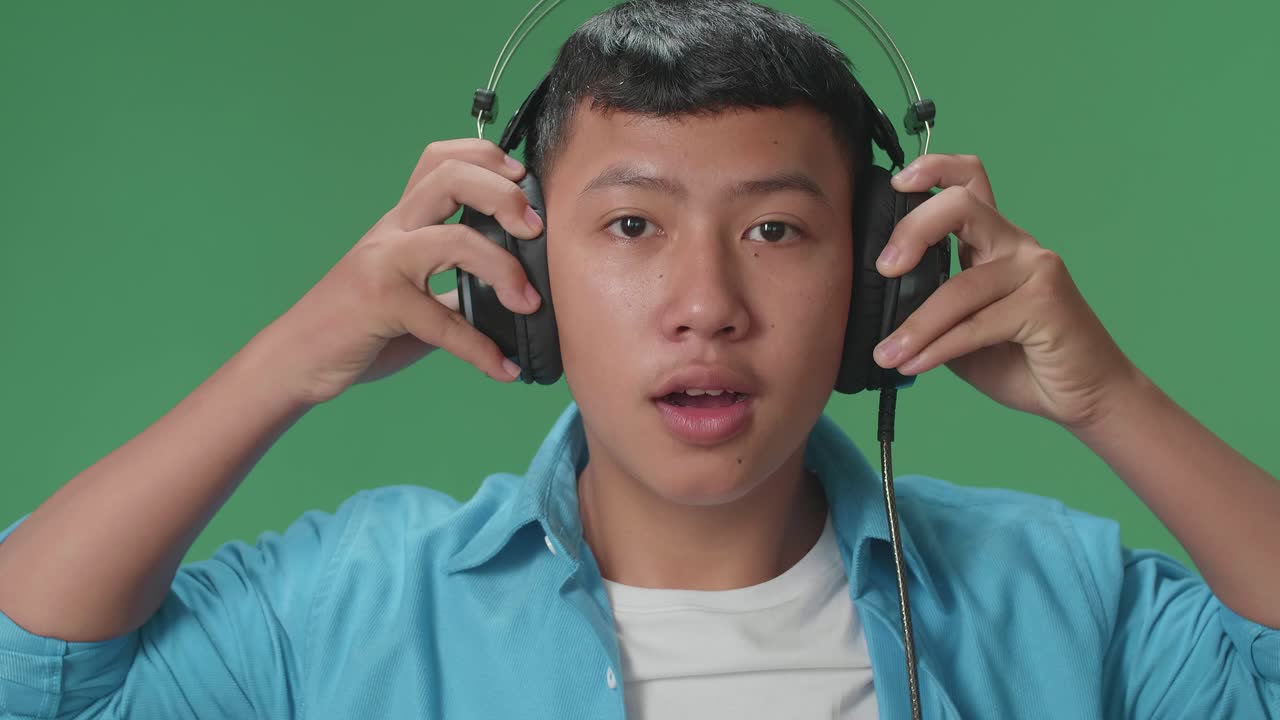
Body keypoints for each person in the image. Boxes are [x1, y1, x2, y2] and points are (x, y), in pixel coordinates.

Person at [0, 0, 1276, 718]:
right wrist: (289, 358)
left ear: (884, 260)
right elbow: (34, 678)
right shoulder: (351, 608)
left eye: (774, 230)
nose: (704, 304)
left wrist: (1109, 400)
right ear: (516, 264)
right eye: (629, 227)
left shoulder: (1057, 599)